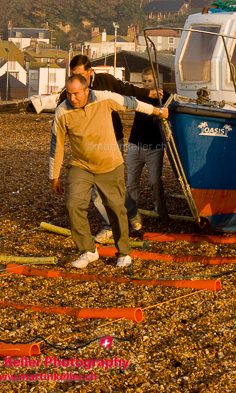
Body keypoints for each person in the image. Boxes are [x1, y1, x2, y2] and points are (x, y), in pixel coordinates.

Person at [50, 75, 169, 269]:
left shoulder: (104, 98)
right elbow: (57, 145)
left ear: (86, 91)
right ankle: (88, 251)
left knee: (116, 209)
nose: (72, 98)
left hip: (110, 165)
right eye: (69, 94)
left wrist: (157, 111)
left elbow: (132, 103)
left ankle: (124, 253)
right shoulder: (62, 111)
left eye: (76, 94)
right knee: (73, 205)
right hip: (81, 165)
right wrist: (54, 176)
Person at [61, 55, 163, 242]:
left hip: (112, 139)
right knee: (96, 191)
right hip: (87, 146)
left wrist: (149, 94)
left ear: (90, 72)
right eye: (73, 75)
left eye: (81, 75)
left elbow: (126, 90)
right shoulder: (70, 92)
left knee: (114, 186)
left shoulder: (105, 82)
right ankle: (108, 226)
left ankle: (131, 212)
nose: (77, 79)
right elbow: (62, 118)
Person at [126, 68, 169, 224]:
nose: (146, 84)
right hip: (135, 144)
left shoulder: (165, 97)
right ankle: (132, 215)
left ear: (157, 80)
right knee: (131, 182)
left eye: (149, 81)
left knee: (154, 182)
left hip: (154, 147)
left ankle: (162, 212)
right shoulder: (139, 95)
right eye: (144, 81)